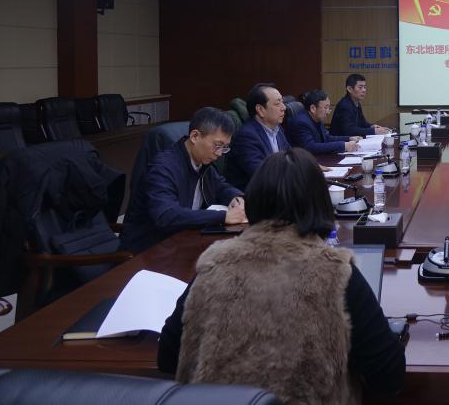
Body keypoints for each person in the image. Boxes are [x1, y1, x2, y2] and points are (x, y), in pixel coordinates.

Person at [158, 148, 406, 401]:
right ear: (320, 204)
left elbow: (167, 357)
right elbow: (388, 377)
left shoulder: (215, 263)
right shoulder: (335, 271)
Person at [121, 108, 245, 253]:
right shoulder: (163, 167)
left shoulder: (203, 162)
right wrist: (223, 216)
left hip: (182, 240)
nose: (219, 153)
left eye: (224, 148)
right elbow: (166, 215)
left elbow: (221, 186)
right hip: (149, 249)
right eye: (217, 145)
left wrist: (237, 198)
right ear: (195, 136)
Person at [226, 82, 290, 190]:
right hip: (252, 194)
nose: (284, 107)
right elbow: (262, 175)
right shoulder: (246, 137)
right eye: (277, 103)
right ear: (260, 110)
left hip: (277, 188)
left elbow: (290, 157)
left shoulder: (278, 129)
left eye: (283, 102)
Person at [287, 89, 361, 155]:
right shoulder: (301, 123)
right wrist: (343, 146)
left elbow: (326, 138)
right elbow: (311, 147)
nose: (328, 112)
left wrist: (348, 139)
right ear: (313, 108)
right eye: (326, 107)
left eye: (329, 107)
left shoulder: (317, 118)